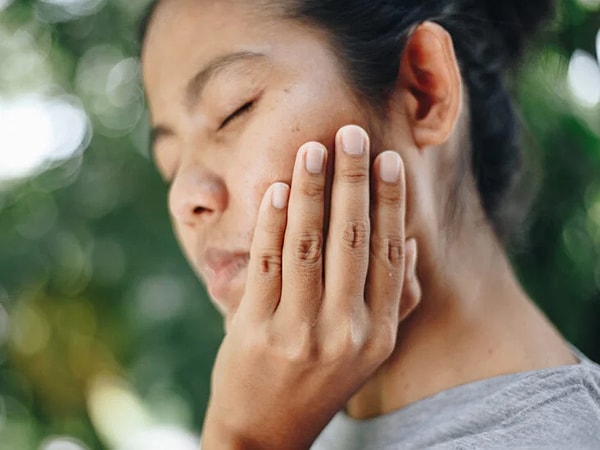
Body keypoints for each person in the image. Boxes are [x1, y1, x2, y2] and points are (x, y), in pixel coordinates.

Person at [139, 0, 600, 448]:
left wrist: (244, 441)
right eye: (169, 165)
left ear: (425, 89)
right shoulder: (293, 426)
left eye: (233, 111)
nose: (183, 199)